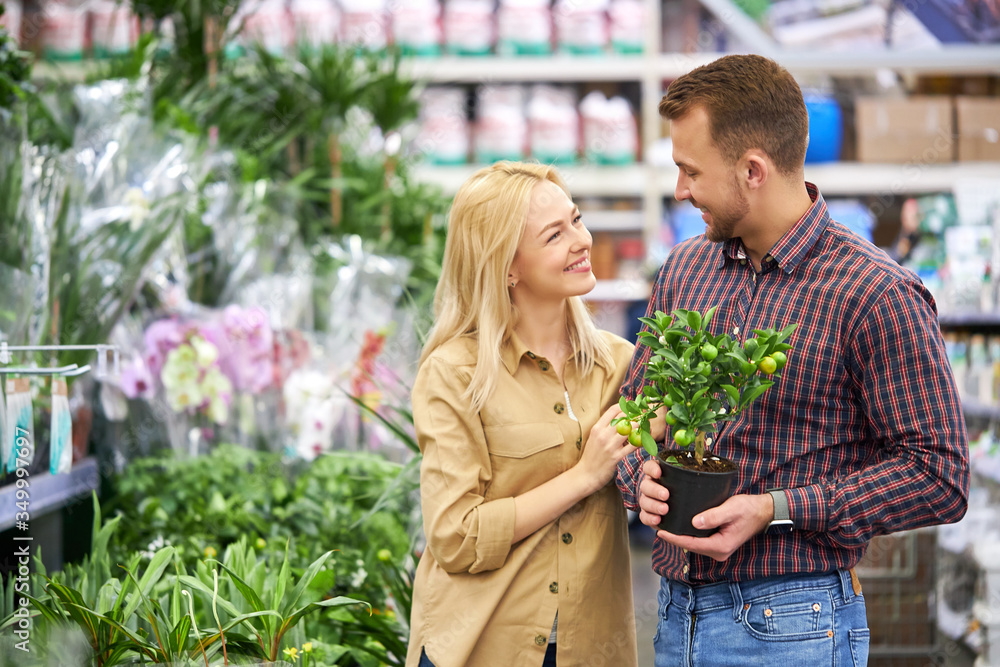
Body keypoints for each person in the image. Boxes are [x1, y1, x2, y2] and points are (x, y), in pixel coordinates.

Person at [616, 54, 970, 666]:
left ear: (752, 170)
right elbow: (631, 415)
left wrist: (776, 509)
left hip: (793, 623)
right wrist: (638, 478)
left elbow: (939, 474)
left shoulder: (873, 294)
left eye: (689, 171)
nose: (680, 191)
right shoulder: (686, 271)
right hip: (676, 618)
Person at [406, 161, 640, 667]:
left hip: (590, 646)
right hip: (483, 645)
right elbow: (455, 536)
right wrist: (584, 477)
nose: (582, 240)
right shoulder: (456, 373)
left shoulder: (619, 364)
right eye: (555, 234)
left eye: (576, 220)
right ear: (507, 266)